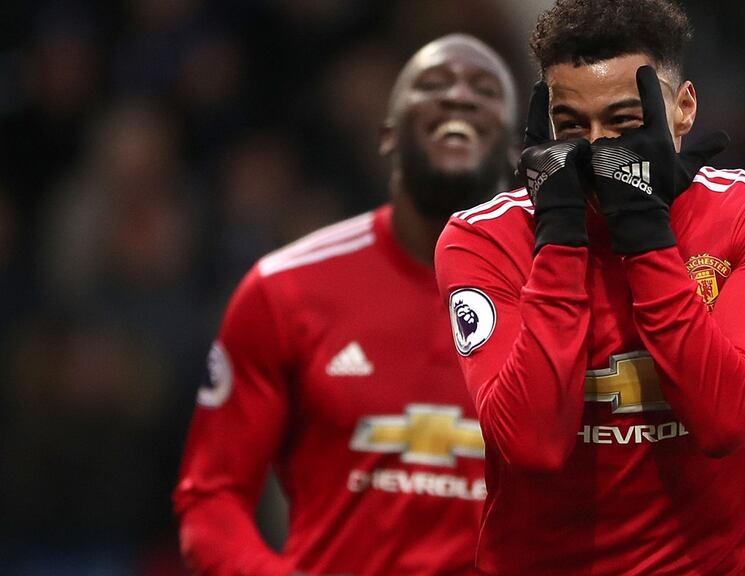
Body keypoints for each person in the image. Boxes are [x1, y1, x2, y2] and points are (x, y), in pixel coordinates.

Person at [434, 1, 745, 574]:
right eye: (572, 126)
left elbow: (725, 421)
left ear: (683, 109)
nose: (598, 150)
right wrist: (559, 234)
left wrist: (644, 231)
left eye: (624, 122)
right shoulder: (482, 239)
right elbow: (534, 444)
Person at [173, 34, 517, 576]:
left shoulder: (563, 297)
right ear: (387, 134)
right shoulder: (284, 289)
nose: (458, 96)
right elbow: (211, 497)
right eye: (432, 84)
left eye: (484, 89)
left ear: (517, 147)